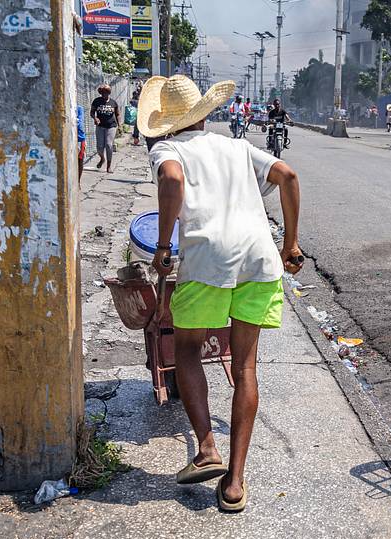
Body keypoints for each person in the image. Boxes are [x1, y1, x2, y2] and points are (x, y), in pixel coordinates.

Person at [137, 75, 304, 513]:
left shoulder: (167, 150)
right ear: (205, 113)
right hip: (259, 260)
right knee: (245, 364)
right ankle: (234, 482)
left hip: (207, 263)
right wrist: (290, 243)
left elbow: (171, 182)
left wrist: (162, 246)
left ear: (163, 123)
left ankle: (207, 448)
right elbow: (287, 175)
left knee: (188, 351)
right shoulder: (236, 146)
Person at [90, 83, 120, 172]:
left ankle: (109, 166)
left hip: (111, 126)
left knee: (108, 144)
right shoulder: (96, 101)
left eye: (106, 93)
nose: (104, 95)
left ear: (109, 93)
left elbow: (117, 114)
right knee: (99, 147)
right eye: (102, 93)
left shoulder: (113, 103)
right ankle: (102, 158)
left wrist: (120, 125)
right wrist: (95, 118)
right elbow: (92, 112)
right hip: (100, 126)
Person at [76, 104, 87, 180]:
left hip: (80, 138)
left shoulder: (79, 108)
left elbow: (80, 123)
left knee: (80, 159)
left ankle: (78, 181)